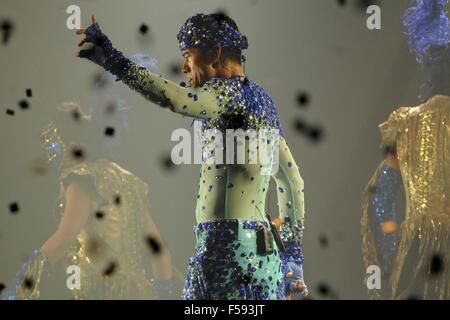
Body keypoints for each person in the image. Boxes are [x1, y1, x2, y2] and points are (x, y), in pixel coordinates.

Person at [75, 13, 307, 299]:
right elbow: (292, 181)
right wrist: (293, 260)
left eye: (188, 55)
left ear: (215, 54)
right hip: (266, 264)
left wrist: (111, 58)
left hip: (224, 263)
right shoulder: (264, 103)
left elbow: (175, 99)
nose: (184, 67)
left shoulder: (226, 93)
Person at [2, 98, 180, 299]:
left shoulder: (81, 180)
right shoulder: (127, 181)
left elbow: (64, 238)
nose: (49, 154)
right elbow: (159, 250)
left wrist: (23, 284)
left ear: (68, 143)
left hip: (102, 291)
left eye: (51, 145)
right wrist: (162, 291)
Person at [361, 0, 450, 300]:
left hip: (417, 260)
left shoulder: (407, 125)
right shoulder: (406, 124)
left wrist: (392, 256)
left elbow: (380, 197)